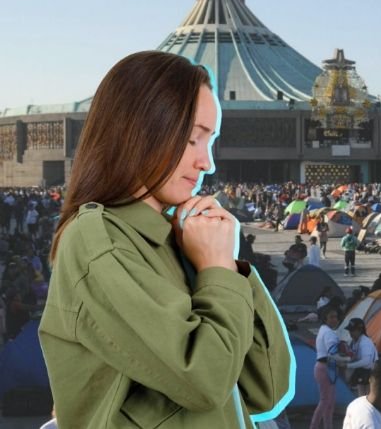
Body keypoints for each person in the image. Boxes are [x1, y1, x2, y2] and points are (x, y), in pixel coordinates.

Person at [38, 51, 292, 427]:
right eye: (193, 140)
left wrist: (227, 267)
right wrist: (217, 270)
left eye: (211, 141)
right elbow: (206, 380)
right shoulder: (99, 243)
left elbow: (267, 387)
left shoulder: (182, 240)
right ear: (138, 131)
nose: (208, 162)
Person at [312, 304, 346, 429]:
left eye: (336, 317)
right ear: (325, 318)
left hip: (324, 368)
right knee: (325, 402)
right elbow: (333, 354)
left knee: (329, 403)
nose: (334, 319)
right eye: (331, 317)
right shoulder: (328, 333)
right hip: (325, 368)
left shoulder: (323, 329)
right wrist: (347, 359)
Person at [344, 318, 378, 396]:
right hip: (363, 371)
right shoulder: (354, 340)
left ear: (360, 330)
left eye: (352, 330)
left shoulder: (365, 342)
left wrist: (347, 365)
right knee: (361, 397)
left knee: (368, 398)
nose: (350, 333)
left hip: (371, 372)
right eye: (349, 330)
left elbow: (366, 362)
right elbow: (353, 356)